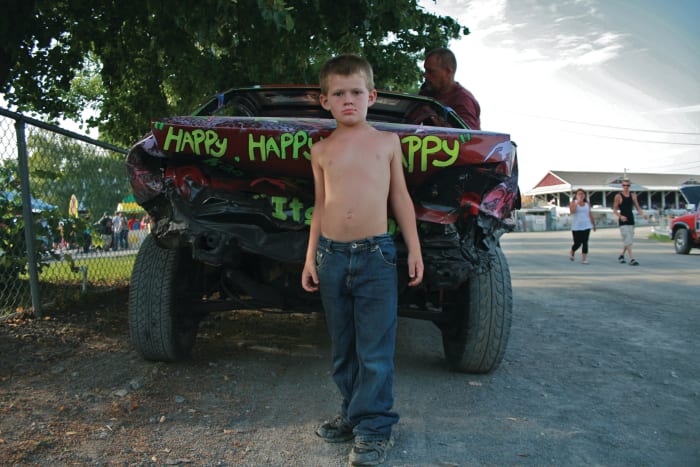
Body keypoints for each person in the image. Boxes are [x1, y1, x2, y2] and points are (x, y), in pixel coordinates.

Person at [301, 54, 424, 466]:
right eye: (339, 93)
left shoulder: (387, 143)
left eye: (356, 92)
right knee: (344, 346)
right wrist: (310, 258)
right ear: (325, 101)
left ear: (371, 96)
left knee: (375, 347)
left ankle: (374, 428)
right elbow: (319, 206)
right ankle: (352, 414)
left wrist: (415, 249)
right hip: (332, 257)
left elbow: (400, 198)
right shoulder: (320, 150)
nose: (348, 99)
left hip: (376, 256)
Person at [419, 47, 481, 130]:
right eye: (425, 70)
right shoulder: (426, 93)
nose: (425, 75)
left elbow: (468, 138)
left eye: (431, 71)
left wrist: (440, 123)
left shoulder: (464, 100)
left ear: (448, 72)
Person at [612, 180, 648, 266]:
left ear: (629, 186)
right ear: (622, 186)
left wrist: (643, 214)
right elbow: (614, 210)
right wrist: (620, 216)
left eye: (627, 185)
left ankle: (621, 255)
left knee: (629, 240)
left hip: (631, 220)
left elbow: (637, 207)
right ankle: (632, 258)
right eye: (624, 185)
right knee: (627, 239)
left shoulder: (633, 195)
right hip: (623, 220)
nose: (626, 187)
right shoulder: (618, 196)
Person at [569, 188, 596, 264]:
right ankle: (572, 251)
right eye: (579, 194)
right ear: (576, 195)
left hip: (586, 225)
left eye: (582, 194)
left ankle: (584, 259)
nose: (581, 195)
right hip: (576, 226)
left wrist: (593, 224)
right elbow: (572, 212)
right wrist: (577, 204)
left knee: (585, 242)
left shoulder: (587, 203)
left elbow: (590, 214)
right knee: (577, 243)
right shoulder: (573, 203)